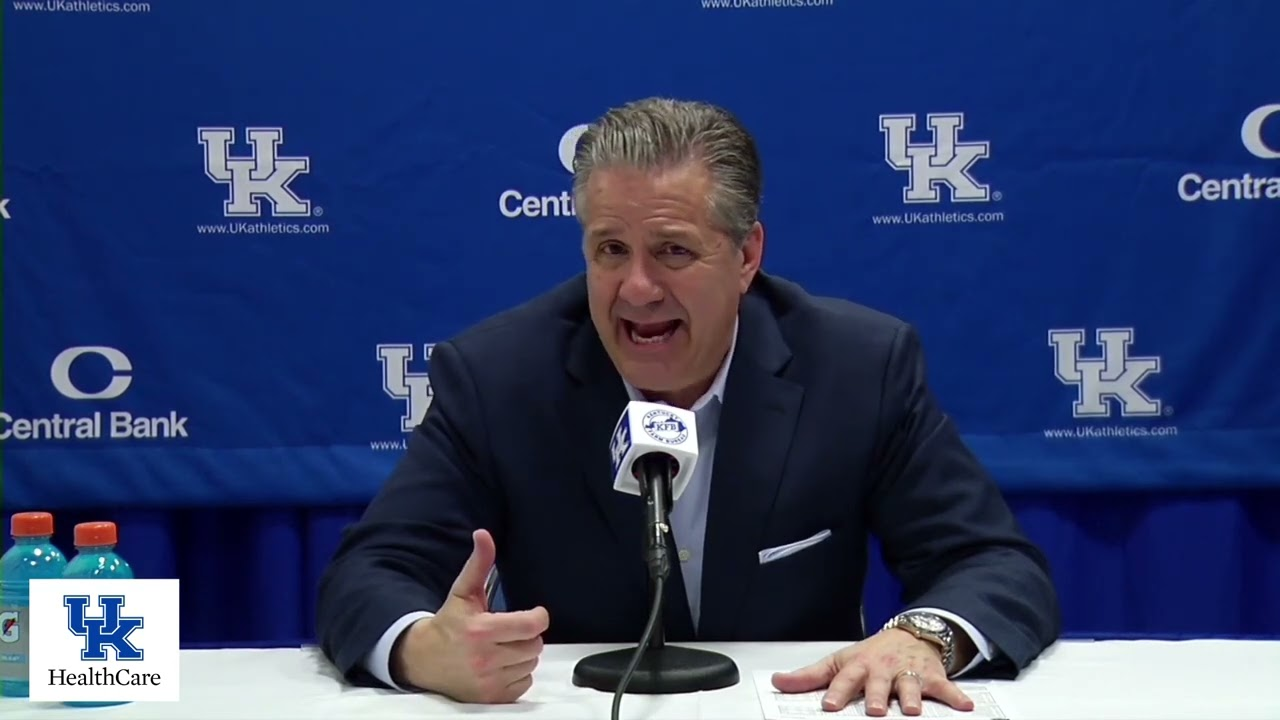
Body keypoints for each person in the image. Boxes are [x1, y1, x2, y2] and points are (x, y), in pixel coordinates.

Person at [316, 97, 1060, 716]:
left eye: (672, 252)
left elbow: (992, 562)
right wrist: (425, 650)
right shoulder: (500, 378)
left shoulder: (858, 367)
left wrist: (922, 637)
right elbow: (370, 572)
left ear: (746, 257)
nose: (636, 288)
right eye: (610, 251)